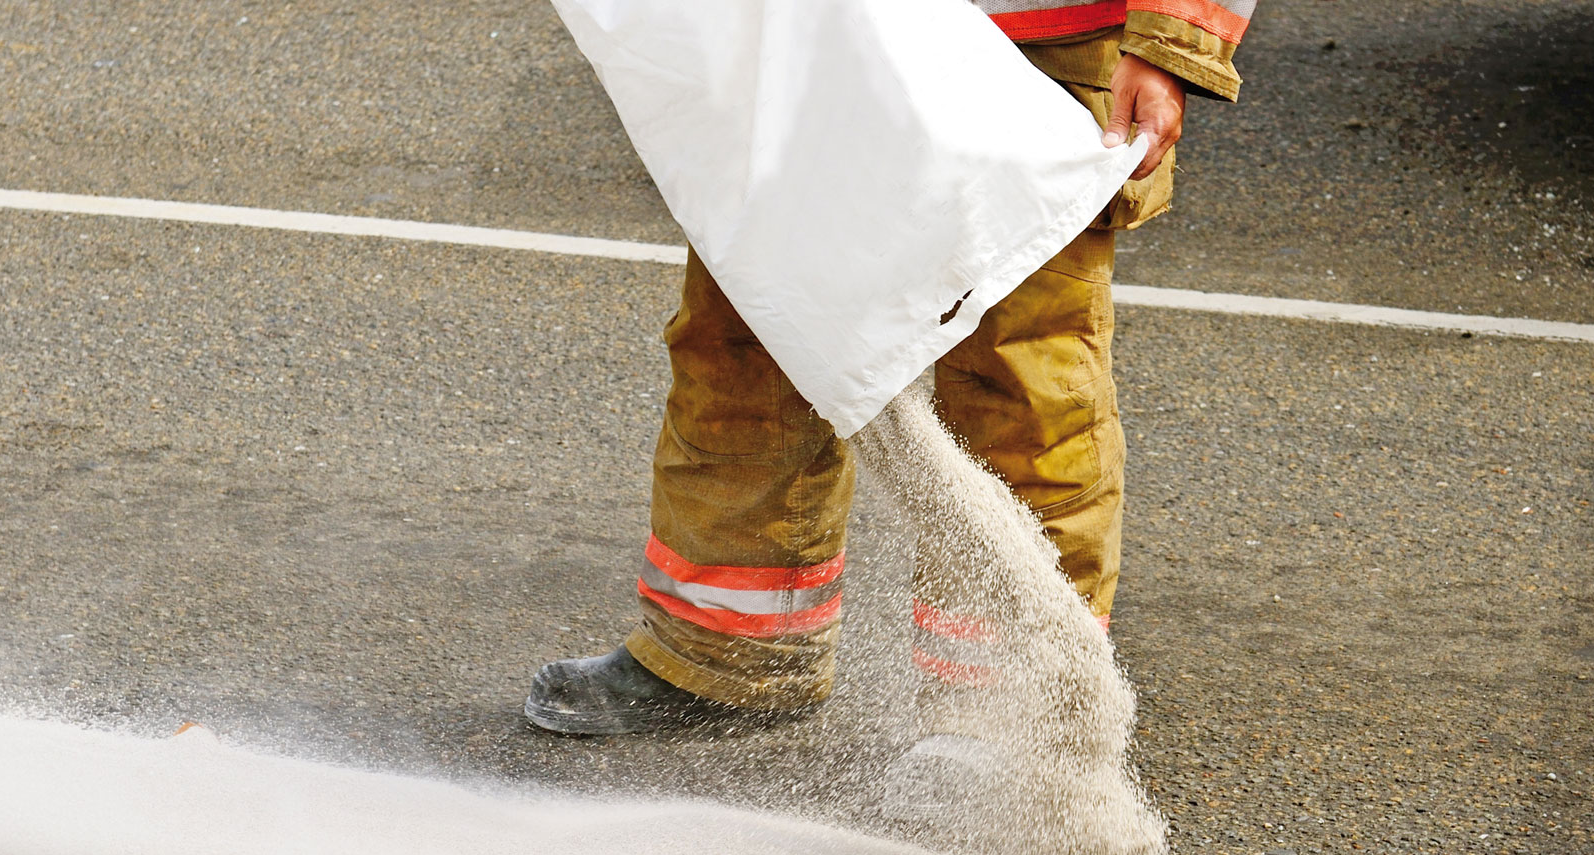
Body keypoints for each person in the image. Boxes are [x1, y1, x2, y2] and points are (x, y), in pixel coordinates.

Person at [524, 0, 1256, 756]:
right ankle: (727, 654)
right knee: (751, 330)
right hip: (820, 33)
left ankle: (1011, 711)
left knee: (1019, 381)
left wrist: (1170, 43)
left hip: (1044, 43)